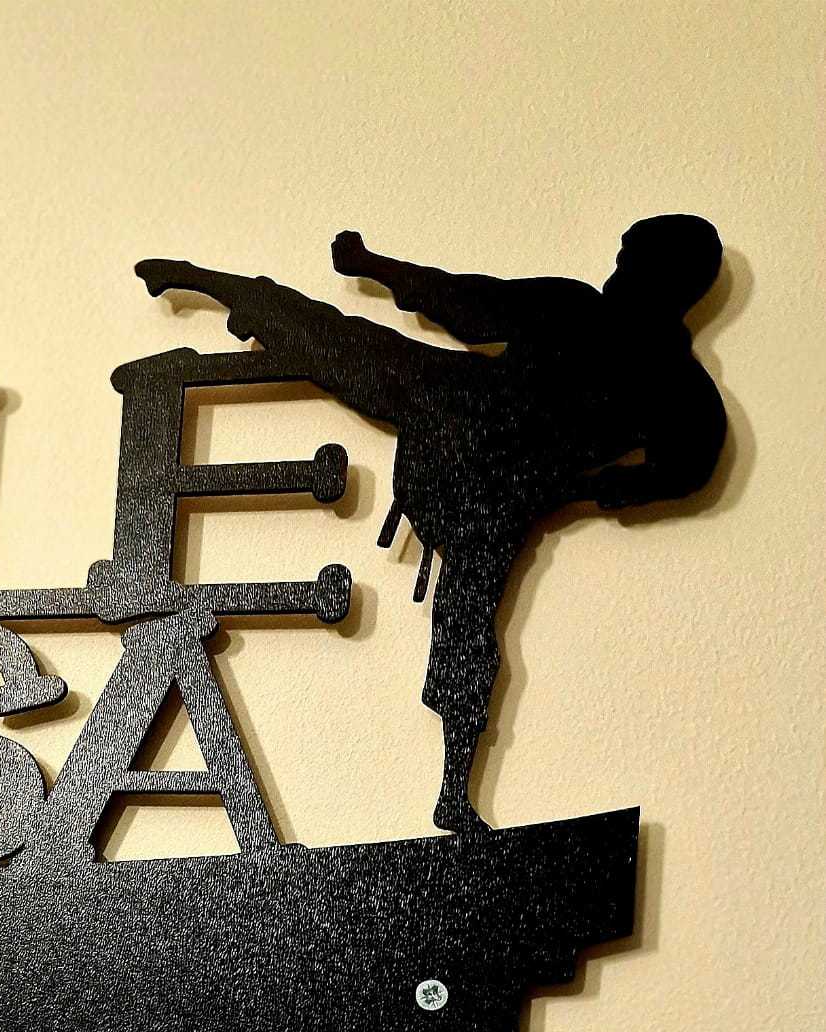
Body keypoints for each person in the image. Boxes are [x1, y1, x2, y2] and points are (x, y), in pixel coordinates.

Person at [137, 218, 727, 831]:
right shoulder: (600, 327)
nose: (619, 270)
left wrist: (581, 490)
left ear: (673, 280)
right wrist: (373, 267)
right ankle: (210, 284)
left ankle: (453, 791)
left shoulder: (674, 386)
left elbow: (687, 467)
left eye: (633, 261)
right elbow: (464, 301)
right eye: (623, 256)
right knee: (340, 341)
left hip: (494, 492)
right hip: (456, 415)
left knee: (468, 630)